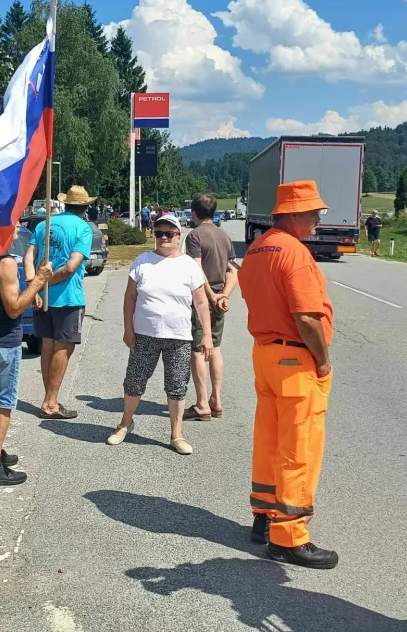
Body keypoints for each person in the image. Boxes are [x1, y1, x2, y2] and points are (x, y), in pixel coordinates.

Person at [237, 180, 337, 570]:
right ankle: (290, 535)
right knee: (300, 446)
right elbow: (307, 317)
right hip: (296, 359)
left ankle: (264, 516)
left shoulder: (258, 249)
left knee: (269, 439)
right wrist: (323, 360)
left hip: (265, 354)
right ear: (293, 213)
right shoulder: (294, 253)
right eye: (314, 212)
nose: (318, 219)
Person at [107, 214, 212, 455]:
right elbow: (130, 298)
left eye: (169, 234)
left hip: (179, 337)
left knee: (176, 386)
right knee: (134, 381)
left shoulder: (189, 265)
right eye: (159, 233)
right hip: (144, 334)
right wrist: (127, 328)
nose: (163, 238)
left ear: (178, 236)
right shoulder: (142, 261)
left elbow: (201, 303)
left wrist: (206, 335)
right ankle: (125, 424)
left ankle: (176, 434)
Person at [0, 211, 54, 486]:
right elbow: (14, 308)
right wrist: (38, 282)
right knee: (3, 402)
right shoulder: (4, 263)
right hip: (4, 340)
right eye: (14, 222)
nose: (18, 226)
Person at [23, 184, 94, 419]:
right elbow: (70, 268)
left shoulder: (44, 224)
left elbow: (28, 256)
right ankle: (50, 403)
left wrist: (34, 286)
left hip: (42, 298)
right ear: (84, 207)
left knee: (48, 346)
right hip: (67, 297)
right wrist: (43, 284)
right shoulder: (83, 229)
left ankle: (49, 397)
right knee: (63, 348)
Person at [183, 192, 237, 421]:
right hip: (220, 295)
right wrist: (224, 294)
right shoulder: (224, 236)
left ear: (194, 213)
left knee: (198, 348)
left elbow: (196, 270)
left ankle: (202, 402)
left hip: (202, 298)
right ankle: (217, 399)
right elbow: (233, 271)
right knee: (215, 346)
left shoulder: (194, 236)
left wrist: (211, 296)